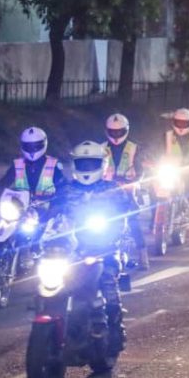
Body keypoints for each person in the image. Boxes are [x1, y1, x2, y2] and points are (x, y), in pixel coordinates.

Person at [48, 141, 126, 354]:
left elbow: (126, 214)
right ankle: (48, 327)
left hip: (104, 249)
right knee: (47, 282)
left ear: (102, 164)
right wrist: (39, 226)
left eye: (92, 163)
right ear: (74, 165)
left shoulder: (113, 190)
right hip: (70, 250)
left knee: (108, 285)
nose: (87, 168)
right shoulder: (65, 189)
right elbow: (51, 212)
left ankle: (115, 332)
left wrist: (116, 231)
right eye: (82, 163)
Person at [102, 112, 149, 269]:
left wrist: (133, 182)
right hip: (106, 194)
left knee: (133, 221)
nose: (116, 135)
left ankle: (143, 255)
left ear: (126, 131)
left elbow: (140, 170)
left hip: (128, 192)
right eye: (113, 132)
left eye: (119, 132)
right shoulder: (100, 148)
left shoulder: (134, 148)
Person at [0, 126, 65, 201]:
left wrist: (67, 192)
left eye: (35, 146)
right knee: (0, 217)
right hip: (22, 209)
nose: (32, 150)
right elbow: (4, 182)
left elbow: (63, 184)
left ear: (44, 144)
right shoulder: (17, 165)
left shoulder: (53, 165)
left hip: (49, 211)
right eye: (28, 147)